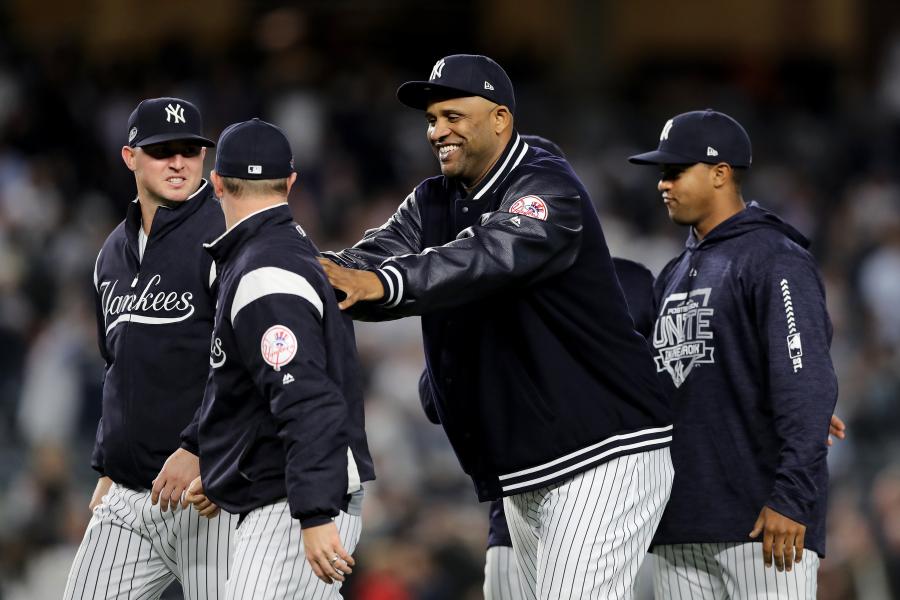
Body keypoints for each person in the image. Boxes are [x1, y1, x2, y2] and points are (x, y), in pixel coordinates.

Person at [318, 54, 674, 599]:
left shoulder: (548, 187)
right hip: (528, 465)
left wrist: (382, 284)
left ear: (501, 120)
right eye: (433, 119)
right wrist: (294, 276)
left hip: (606, 451)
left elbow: (489, 256)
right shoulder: (432, 200)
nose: (437, 131)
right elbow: (364, 264)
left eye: (453, 116)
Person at [628, 109, 839, 598]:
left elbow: (806, 384)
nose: (663, 184)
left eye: (675, 171)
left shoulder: (774, 257)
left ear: (721, 173)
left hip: (763, 520)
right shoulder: (675, 271)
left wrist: (791, 499)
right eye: (662, 173)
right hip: (681, 521)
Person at [182, 118, 375, 598]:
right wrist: (222, 465)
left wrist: (314, 512)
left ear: (217, 183)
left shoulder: (264, 269)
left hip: (292, 506)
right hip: (285, 496)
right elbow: (252, 389)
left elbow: (308, 401)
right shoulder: (278, 253)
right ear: (290, 183)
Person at [63, 97, 236, 599]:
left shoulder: (226, 236)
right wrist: (106, 464)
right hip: (131, 496)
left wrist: (200, 446)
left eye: (190, 149)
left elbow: (247, 364)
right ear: (130, 157)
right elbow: (118, 364)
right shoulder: (111, 253)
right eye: (162, 151)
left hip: (210, 495)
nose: (178, 162)